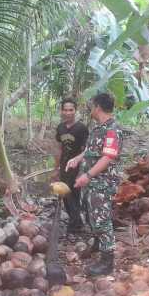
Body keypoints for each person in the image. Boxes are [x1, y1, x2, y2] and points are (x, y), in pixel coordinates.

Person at [66, 92, 123, 276]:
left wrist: (88, 175)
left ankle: (107, 261)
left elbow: (107, 157)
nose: (90, 109)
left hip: (102, 183)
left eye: (92, 105)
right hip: (92, 182)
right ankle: (98, 246)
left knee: (102, 220)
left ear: (98, 107)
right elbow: (91, 151)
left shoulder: (112, 130)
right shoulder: (99, 128)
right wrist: (77, 158)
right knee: (91, 215)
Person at [53, 98, 89, 235]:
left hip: (76, 167)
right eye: (65, 110)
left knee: (73, 194)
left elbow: (87, 150)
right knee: (65, 194)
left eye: (71, 110)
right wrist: (56, 168)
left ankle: (75, 224)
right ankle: (76, 222)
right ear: (61, 111)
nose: (68, 113)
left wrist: (82, 170)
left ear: (75, 111)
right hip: (64, 166)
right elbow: (59, 148)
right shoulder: (60, 128)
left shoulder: (81, 128)